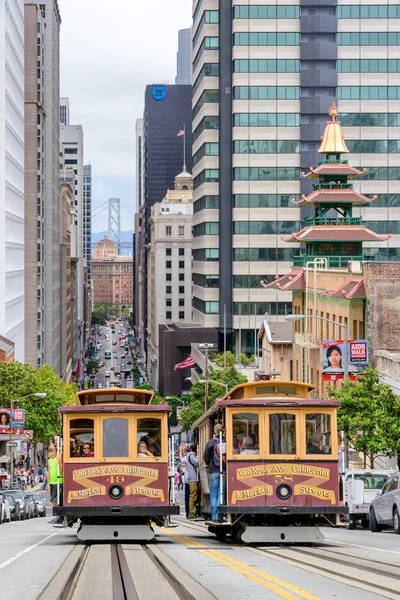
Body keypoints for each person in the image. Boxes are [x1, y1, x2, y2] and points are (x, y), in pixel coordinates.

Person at [204, 424, 226, 523]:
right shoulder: (227, 441)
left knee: (213, 494)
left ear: (215, 431)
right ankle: (220, 516)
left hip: (213, 470)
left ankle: (214, 516)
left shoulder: (211, 442)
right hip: (224, 470)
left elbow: (206, 457)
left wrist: (210, 463)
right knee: (221, 493)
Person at [180, 443, 199, 519]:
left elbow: (181, 460)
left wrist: (180, 451)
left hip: (189, 479)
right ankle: (192, 513)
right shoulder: (192, 456)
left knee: (191, 496)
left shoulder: (187, 457)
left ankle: (190, 513)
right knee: (193, 497)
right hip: (193, 478)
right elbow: (198, 463)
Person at [47, 445, 63, 525]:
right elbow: (49, 473)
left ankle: (59, 516)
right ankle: (58, 516)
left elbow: (61, 469)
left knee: (55, 500)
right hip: (52, 482)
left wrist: (59, 460)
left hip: (58, 481)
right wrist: (48, 484)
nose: (52, 453)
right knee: (53, 500)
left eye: (53, 451)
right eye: (50, 452)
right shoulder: (50, 460)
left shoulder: (58, 458)